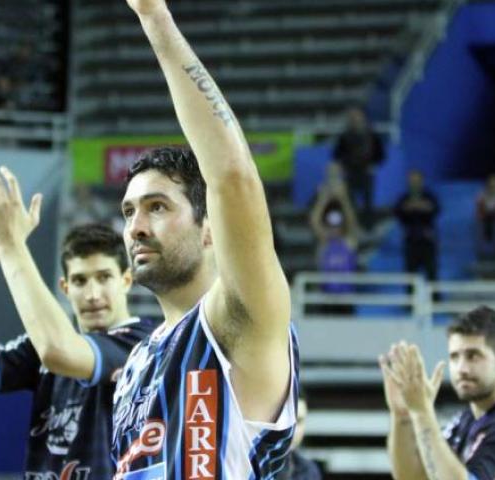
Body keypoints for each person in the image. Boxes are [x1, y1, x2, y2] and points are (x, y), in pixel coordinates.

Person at [112, 1, 298, 478]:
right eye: (129, 211)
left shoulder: (239, 319)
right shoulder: (137, 361)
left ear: (210, 226)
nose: (136, 227)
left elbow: (233, 177)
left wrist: (154, 17)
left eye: (158, 207)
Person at [0, 186, 156, 480]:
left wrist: (10, 244)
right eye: (80, 281)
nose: (93, 294)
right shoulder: (42, 350)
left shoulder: (143, 342)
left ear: (126, 281)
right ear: (65, 288)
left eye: (104, 277)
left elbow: (59, 352)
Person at [380, 306, 495, 480]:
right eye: (454, 357)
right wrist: (403, 415)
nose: (461, 368)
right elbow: (413, 477)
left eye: (473, 356)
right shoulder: (467, 420)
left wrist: (422, 412)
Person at [309, 162, 360, 311]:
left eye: (336, 174)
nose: (333, 178)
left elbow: (353, 224)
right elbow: (314, 222)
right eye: (330, 174)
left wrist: (343, 198)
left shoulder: (348, 242)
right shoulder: (324, 244)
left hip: (346, 297)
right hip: (327, 296)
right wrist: (323, 199)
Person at [333, 107, 385, 230]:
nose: (355, 119)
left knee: (368, 199)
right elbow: (337, 155)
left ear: (363, 118)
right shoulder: (344, 137)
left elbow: (380, 155)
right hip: (350, 172)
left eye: (357, 117)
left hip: (366, 172)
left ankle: (368, 226)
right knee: (348, 200)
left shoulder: (372, 136)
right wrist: (343, 166)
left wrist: (373, 165)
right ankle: (351, 225)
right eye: (352, 117)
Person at [394, 170, 441, 281]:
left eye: (417, 180)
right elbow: (398, 212)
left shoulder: (429, 196)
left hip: (427, 240)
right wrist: (413, 207)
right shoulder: (404, 198)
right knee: (410, 275)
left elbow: (435, 209)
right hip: (411, 241)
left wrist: (418, 207)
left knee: (431, 274)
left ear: (422, 181)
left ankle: (434, 293)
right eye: (412, 180)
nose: (414, 183)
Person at [276, 395, 322, 480]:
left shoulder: (309, 470)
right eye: (287, 419)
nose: (292, 430)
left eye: (299, 421)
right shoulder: (253, 466)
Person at [476, 173, 495, 260]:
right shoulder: (482, 195)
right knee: (481, 226)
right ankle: (483, 254)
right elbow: (479, 209)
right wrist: (485, 213)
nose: (494, 186)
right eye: (492, 184)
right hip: (485, 220)